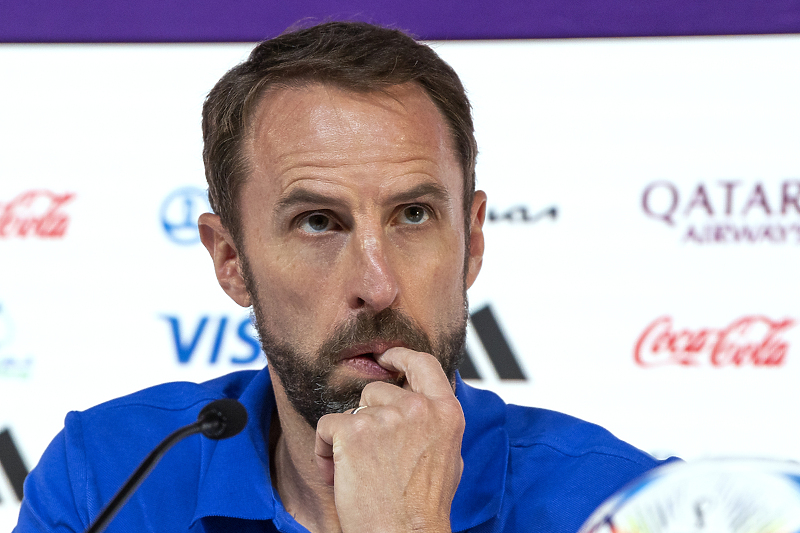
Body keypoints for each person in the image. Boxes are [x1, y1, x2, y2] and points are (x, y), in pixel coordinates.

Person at [15, 21, 672, 533]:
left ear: (472, 241)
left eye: (413, 215)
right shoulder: (108, 479)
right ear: (231, 261)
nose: (377, 283)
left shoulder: (625, 507)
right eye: (319, 222)